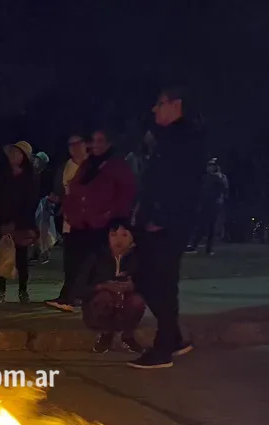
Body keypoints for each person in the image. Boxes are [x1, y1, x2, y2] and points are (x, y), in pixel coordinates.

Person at [130, 86, 207, 369]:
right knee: (146, 278)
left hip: (167, 222)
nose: (155, 109)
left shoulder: (184, 139)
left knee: (161, 282)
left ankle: (163, 349)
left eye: (160, 103)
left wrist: (161, 217)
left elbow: (182, 184)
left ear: (176, 105)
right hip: (156, 220)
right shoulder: (168, 138)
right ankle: (172, 337)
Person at [50, 129, 137, 311]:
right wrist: (73, 211)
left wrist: (109, 213)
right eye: (94, 140)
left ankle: (97, 301)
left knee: (100, 264)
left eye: (100, 141)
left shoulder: (116, 165)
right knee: (79, 261)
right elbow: (76, 189)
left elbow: (125, 193)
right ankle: (75, 297)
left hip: (105, 223)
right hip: (84, 222)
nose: (95, 145)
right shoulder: (89, 165)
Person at [82, 219, 146, 354]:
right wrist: (102, 286)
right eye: (113, 235)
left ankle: (127, 336)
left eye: (124, 235)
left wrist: (133, 285)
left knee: (138, 300)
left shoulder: (139, 257)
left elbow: (150, 285)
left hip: (125, 306)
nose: (118, 240)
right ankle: (105, 333)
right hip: (98, 309)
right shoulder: (96, 256)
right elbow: (79, 288)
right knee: (104, 297)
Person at [0, 141, 38, 303]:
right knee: (3, 257)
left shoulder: (29, 178)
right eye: (11, 152)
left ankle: (23, 291)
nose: (12, 156)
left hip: (22, 224)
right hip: (3, 223)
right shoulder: (1, 175)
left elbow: (30, 202)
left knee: (22, 258)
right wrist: (0, 222)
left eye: (17, 153)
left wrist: (18, 223)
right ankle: (0, 291)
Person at [45, 133, 88, 309]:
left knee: (85, 259)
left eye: (78, 143)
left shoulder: (92, 165)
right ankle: (69, 294)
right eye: (71, 145)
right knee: (71, 259)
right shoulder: (66, 167)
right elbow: (60, 191)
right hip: (70, 219)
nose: (74, 148)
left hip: (88, 219)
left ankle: (77, 294)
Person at [187, 158, 228, 254]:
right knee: (202, 225)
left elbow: (224, 190)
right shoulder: (206, 177)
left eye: (212, 166)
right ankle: (194, 245)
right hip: (205, 204)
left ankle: (208, 248)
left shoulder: (220, 178)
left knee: (211, 227)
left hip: (214, 204)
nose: (209, 167)